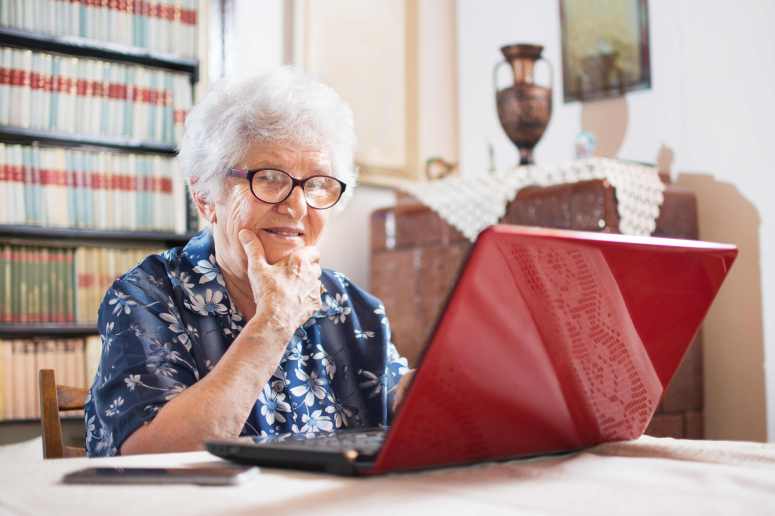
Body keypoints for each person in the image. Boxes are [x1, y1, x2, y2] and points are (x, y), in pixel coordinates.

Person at [83, 68, 411, 456]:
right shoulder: (144, 298)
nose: (296, 205)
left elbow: (408, 408)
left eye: (318, 183)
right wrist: (275, 322)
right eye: (270, 178)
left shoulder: (352, 305)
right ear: (206, 195)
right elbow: (151, 457)